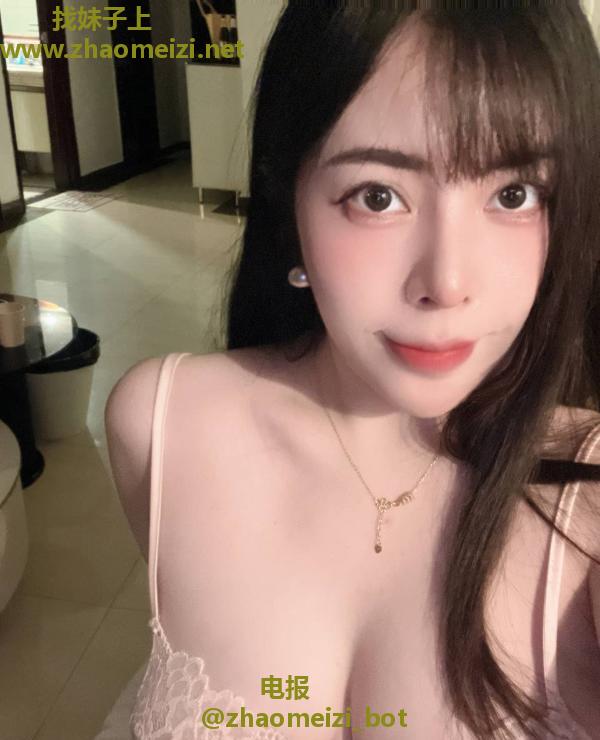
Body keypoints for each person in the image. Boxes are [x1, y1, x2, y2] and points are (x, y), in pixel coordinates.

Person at [104, 2, 600, 738]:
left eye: (512, 194)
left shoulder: (588, 504)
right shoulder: (161, 424)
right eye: (378, 196)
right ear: (289, 203)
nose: (447, 283)